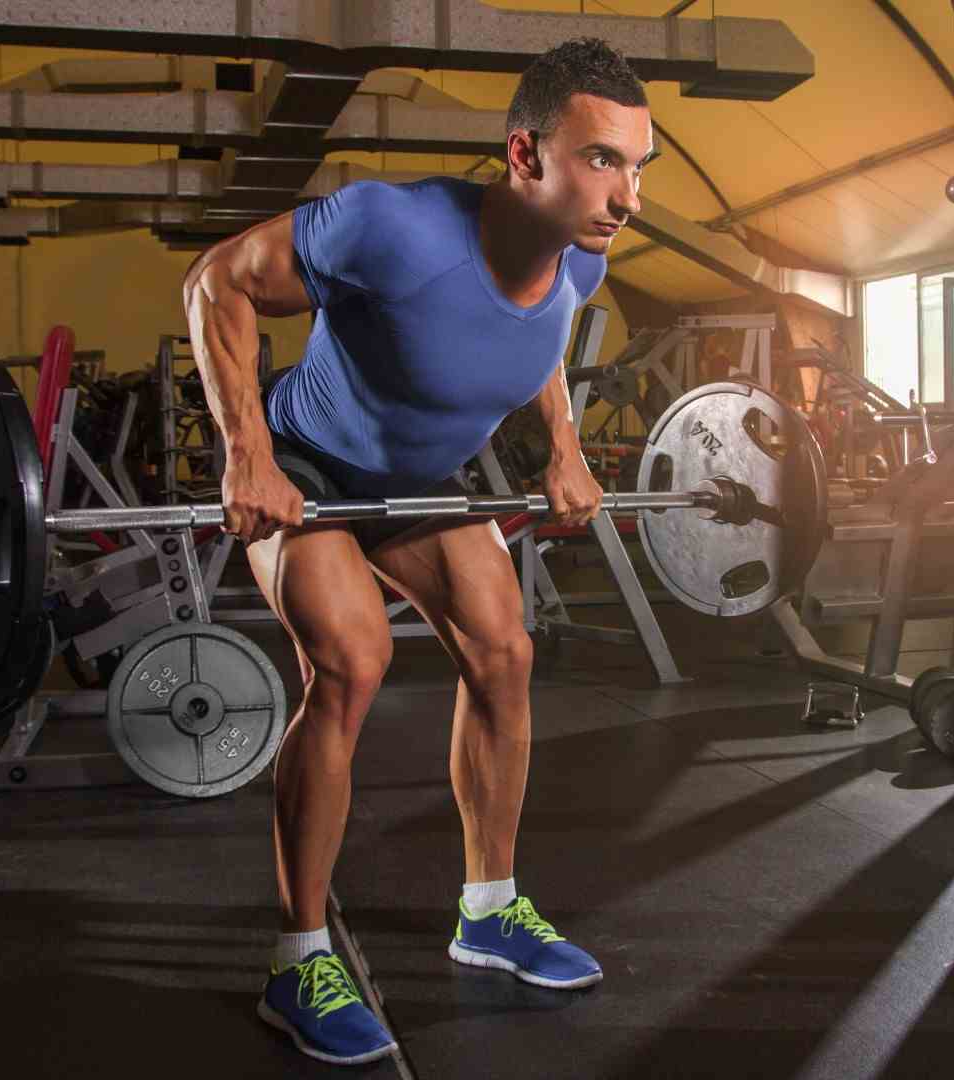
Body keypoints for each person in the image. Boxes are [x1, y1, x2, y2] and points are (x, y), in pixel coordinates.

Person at [182, 37, 655, 1066]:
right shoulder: (391, 227)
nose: (627, 195)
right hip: (309, 467)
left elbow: (539, 343)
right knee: (354, 659)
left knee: (504, 646)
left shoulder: (581, 251)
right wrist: (247, 459)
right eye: (603, 161)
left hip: (415, 484)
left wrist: (565, 447)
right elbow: (215, 282)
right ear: (526, 154)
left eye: (638, 165)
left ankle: (488, 909)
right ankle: (298, 956)